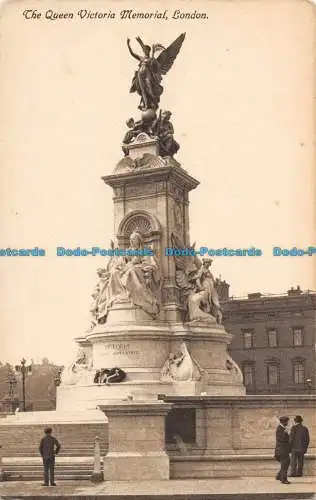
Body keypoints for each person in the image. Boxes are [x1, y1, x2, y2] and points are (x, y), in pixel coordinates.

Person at [274, 416, 291, 484]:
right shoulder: (280, 429)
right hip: (282, 450)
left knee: (286, 463)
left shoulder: (282, 428)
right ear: (282, 422)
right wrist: (286, 432)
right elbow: (282, 439)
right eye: (286, 421)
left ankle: (279, 476)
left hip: (283, 450)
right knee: (285, 464)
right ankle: (283, 479)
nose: (287, 423)